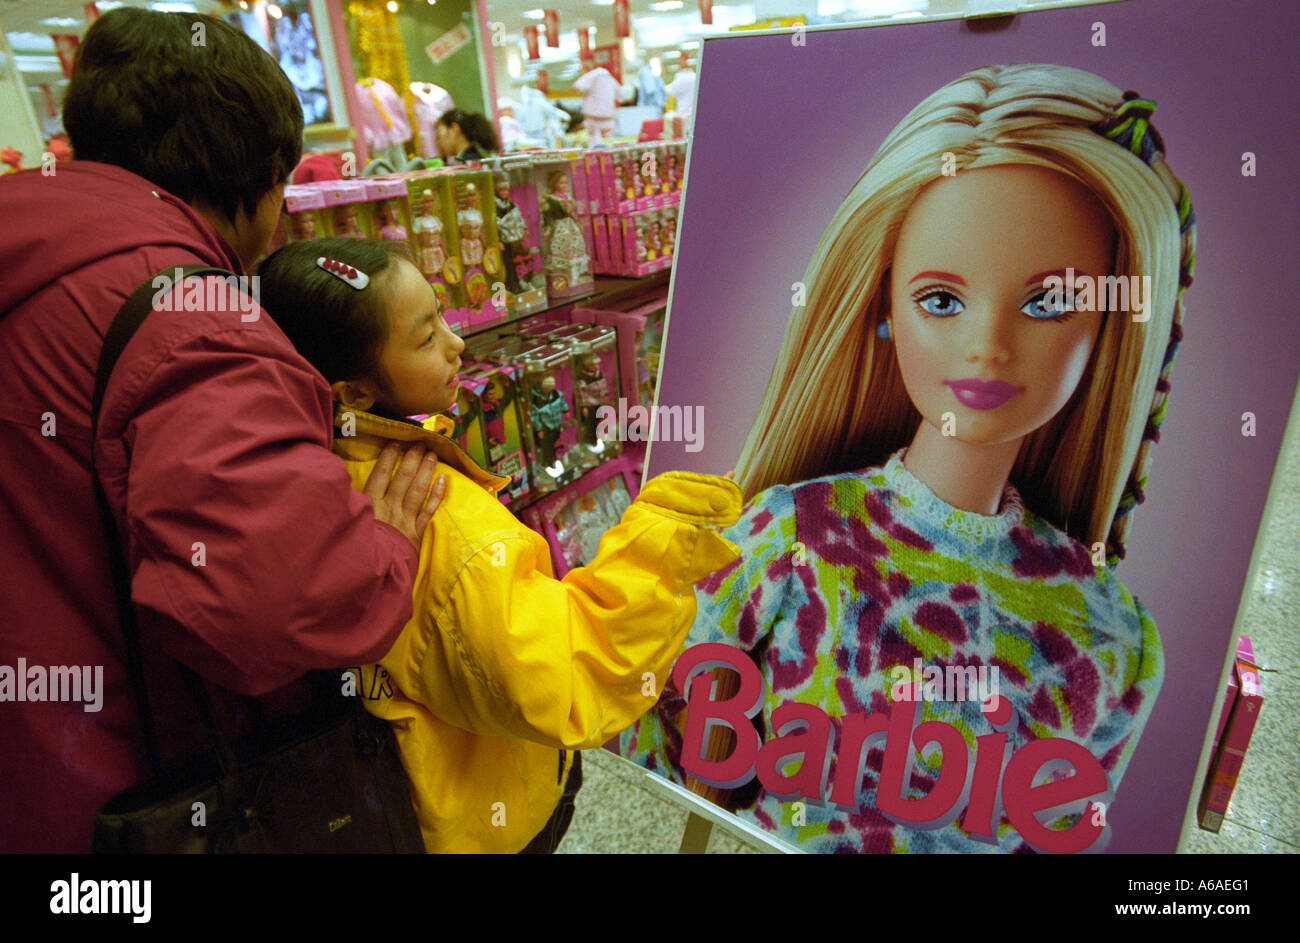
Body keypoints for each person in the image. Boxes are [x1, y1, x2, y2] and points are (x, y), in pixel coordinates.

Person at [620, 63, 1196, 853]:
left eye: (1048, 302)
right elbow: (666, 759)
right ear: (884, 304)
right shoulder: (792, 538)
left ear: (1109, 322)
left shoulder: (1114, 638)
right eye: (941, 300)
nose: (986, 347)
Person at [0, 8, 443, 852]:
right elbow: (277, 601)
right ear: (260, 180)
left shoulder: (36, 261)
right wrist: (379, 548)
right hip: (141, 795)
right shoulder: (190, 317)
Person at [255, 237, 743, 853]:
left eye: (442, 316)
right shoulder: (438, 520)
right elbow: (569, 678)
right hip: (486, 818)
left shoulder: (319, 466)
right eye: (426, 338)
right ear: (351, 392)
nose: (458, 345)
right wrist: (663, 536)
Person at [434, 108, 500, 163]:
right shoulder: (468, 158)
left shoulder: (470, 163)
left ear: (454, 129)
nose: (438, 142)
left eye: (439, 136)